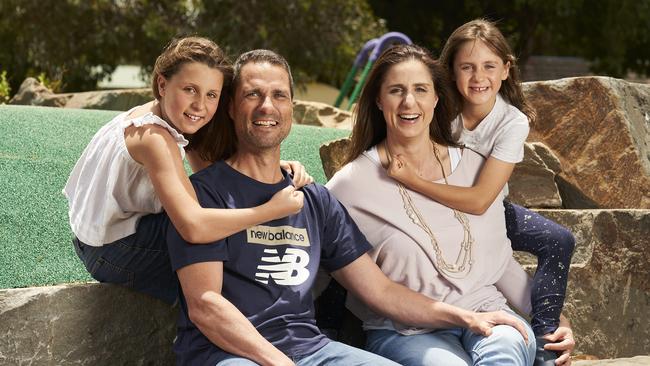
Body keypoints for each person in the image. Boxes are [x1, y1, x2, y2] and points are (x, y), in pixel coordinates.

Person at [165, 49, 531, 366]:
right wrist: (277, 361)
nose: (267, 106)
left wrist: (466, 317)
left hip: (310, 351)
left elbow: (381, 292)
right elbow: (206, 305)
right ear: (230, 106)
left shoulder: (315, 200)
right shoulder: (204, 196)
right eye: (253, 95)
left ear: (291, 107)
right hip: (227, 354)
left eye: (279, 95)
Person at [327, 44, 575, 366]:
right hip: (408, 331)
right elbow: (319, 260)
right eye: (396, 91)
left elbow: (498, 265)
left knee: (507, 349)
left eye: (420, 89)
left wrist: (555, 321)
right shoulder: (351, 185)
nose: (409, 102)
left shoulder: (475, 166)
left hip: (488, 313)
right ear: (378, 99)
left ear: (436, 98)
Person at [63, 37, 311, 305]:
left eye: (211, 95)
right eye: (190, 89)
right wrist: (271, 209)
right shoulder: (153, 137)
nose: (200, 105)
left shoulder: (169, 116)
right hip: (109, 249)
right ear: (162, 84)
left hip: (106, 233)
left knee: (225, 224)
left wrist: (271, 168)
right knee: (226, 249)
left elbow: (217, 179)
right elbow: (193, 227)